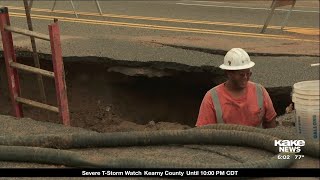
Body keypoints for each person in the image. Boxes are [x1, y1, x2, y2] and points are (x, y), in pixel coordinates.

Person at [196, 48, 277, 128]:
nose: (245, 77)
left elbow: (271, 123)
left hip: (254, 141)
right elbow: (204, 132)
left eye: (248, 74)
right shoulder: (212, 97)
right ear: (228, 73)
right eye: (241, 75)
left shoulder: (260, 91)